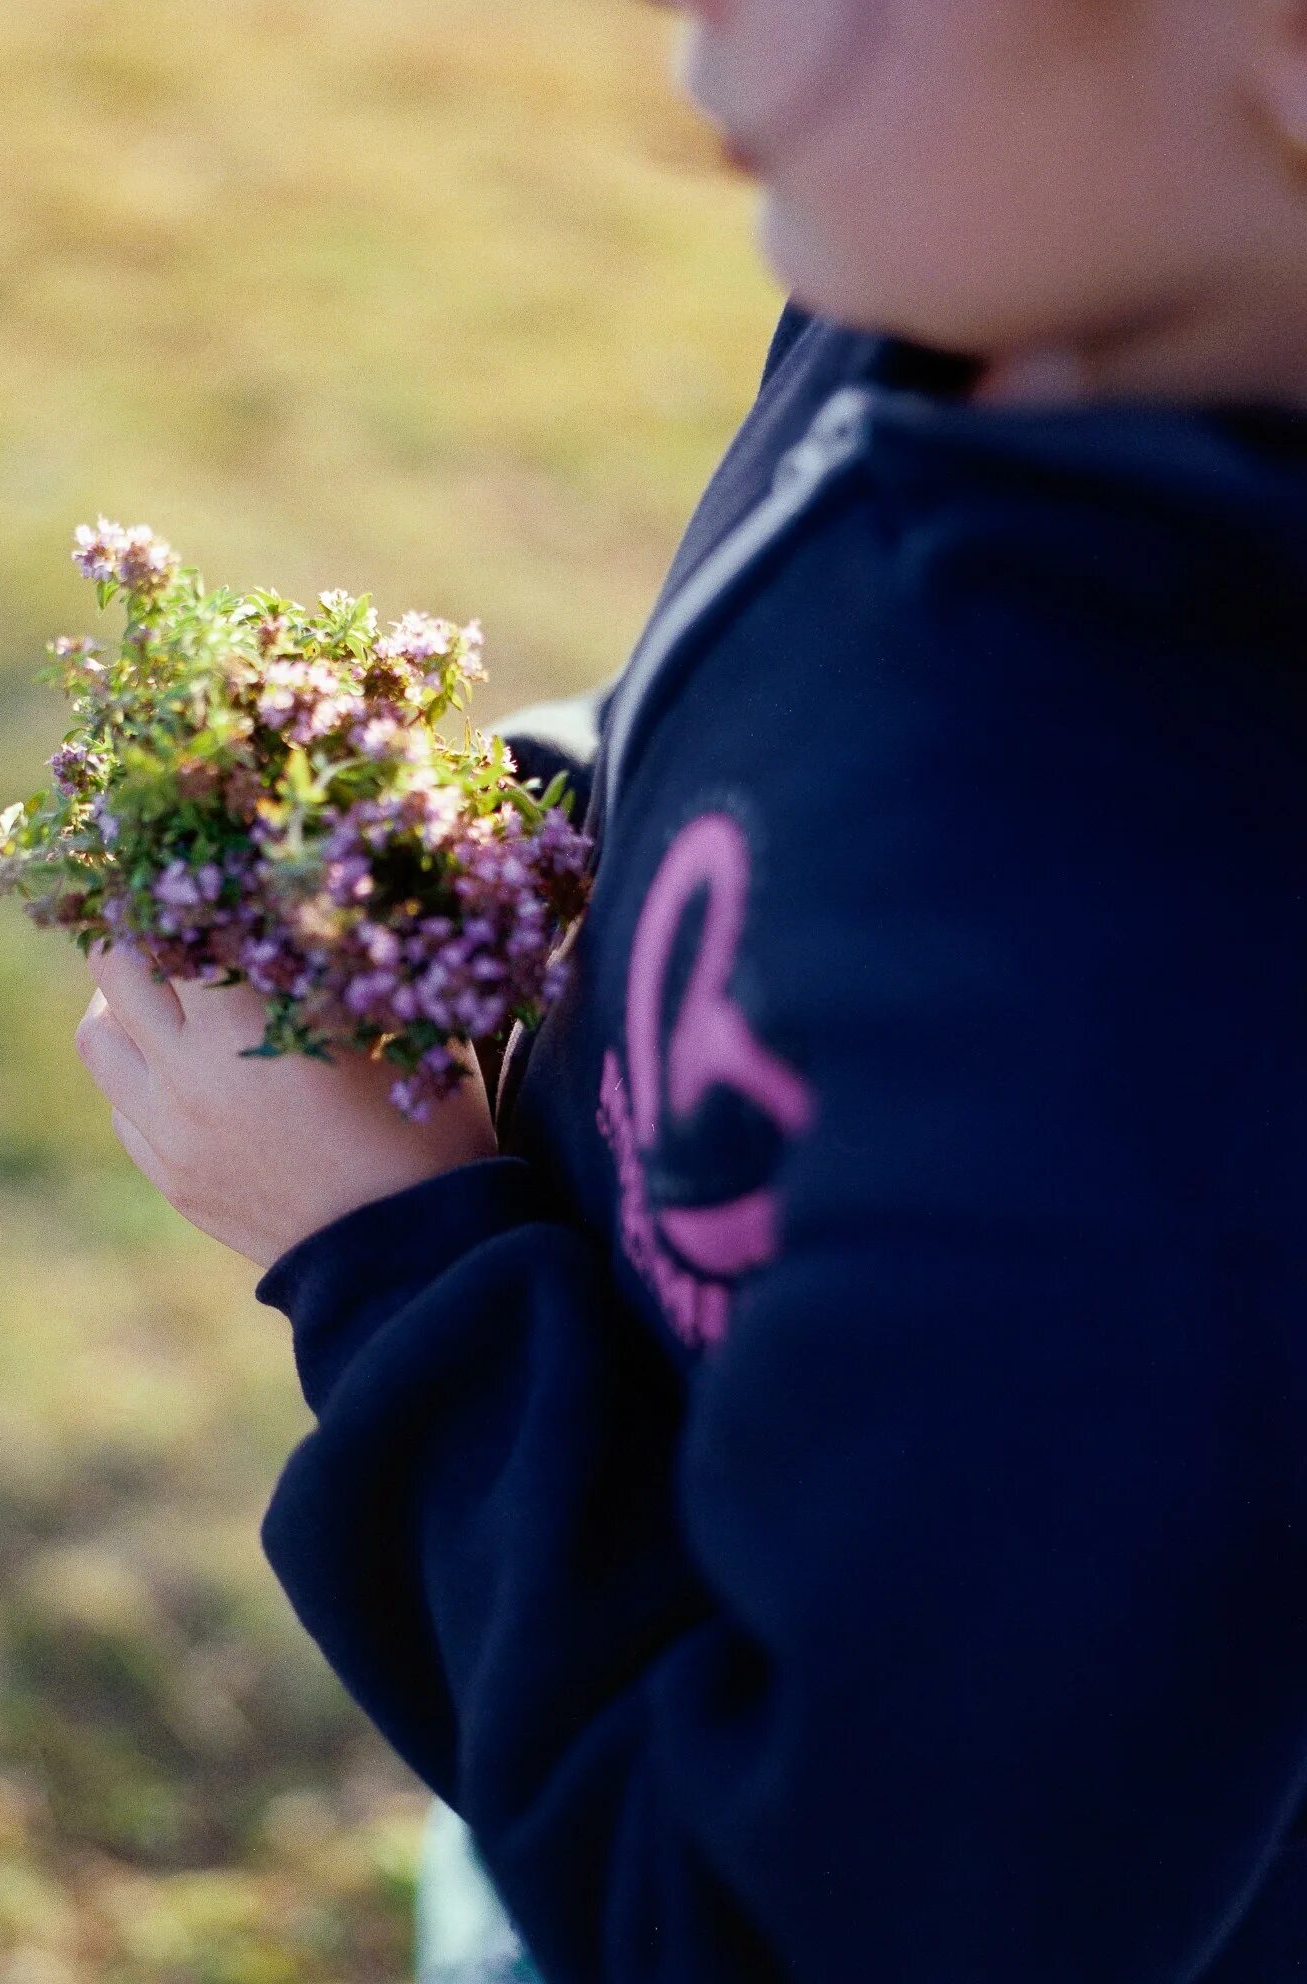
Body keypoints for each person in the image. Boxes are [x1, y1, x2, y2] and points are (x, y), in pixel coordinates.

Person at [73, 0, 1307, 1976]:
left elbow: (785, 1929)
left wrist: (387, 1256)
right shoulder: (969, 310)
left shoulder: (1172, 1057)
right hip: (572, 1663)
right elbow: (795, 729)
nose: (696, 31)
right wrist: (518, 838)